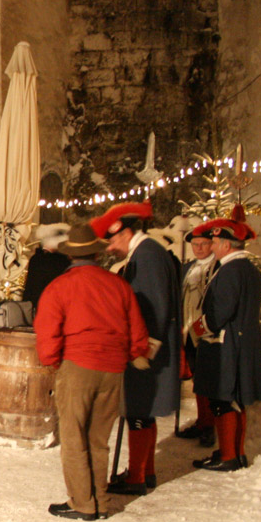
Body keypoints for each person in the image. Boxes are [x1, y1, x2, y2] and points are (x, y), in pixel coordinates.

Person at [35, 223, 149, 521]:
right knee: (98, 439)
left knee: (74, 437)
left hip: (78, 365)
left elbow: (47, 329)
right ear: (96, 256)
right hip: (113, 369)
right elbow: (137, 327)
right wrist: (136, 352)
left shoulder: (61, 286)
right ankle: (100, 500)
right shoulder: (118, 285)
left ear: (71, 256)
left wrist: (50, 360)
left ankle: (82, 503)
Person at [91, 202, 181, 497]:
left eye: (113, 239)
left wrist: (142, 351)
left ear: (126, 232)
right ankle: (146, 471)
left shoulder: (148, 256)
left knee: (139, 410)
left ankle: (137, 478)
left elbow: (153, 308)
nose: (111, 247)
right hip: (143, 347)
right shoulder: (144, 254)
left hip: (145, 350)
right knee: (143, 410)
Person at [189, 213, 261, 471]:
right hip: (240, 342)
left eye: (214, 242)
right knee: (234, 399)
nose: (210, 247)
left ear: (226, 244)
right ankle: (233, 452)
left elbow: (220, 312)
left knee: (224, 399)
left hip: (227, 345)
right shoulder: (248, 269)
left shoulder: (231, 270)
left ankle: (229, 456)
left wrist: (197, 328)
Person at [177, 228, 217, 446]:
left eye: (203, 244)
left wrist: (199, 331)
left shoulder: (215, 268)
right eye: (196, 245)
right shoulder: (190, 268)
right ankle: (202, 421)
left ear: (212, 244)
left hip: (204, 332)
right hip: (188, 332)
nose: (199, 248)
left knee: (206, 382)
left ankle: (209, 425)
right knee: (198, 381)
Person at [23, 225, 71, 309]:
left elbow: (30, 289)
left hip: (40, 306)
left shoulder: (36, 259)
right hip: (56, 306)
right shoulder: (62, 261)